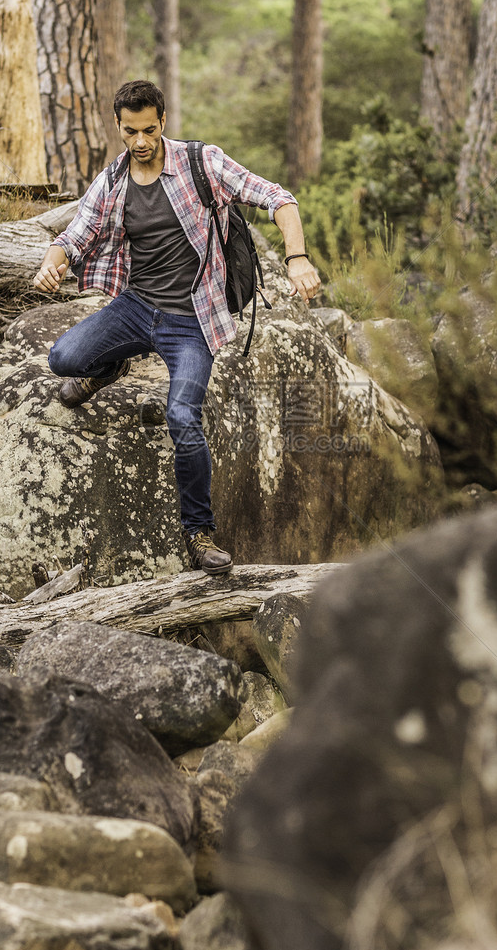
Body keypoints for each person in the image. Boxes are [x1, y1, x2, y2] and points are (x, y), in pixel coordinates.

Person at [33, 78, 321, 576]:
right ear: (119, 128)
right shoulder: (114, 181)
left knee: (183, 418)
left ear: (162, 121)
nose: (140, 142)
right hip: (138, 306)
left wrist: (297, 259)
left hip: (192, 321)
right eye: (130, 132)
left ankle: (199, 532)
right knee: (64, 359)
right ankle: (108, 368)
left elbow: (279, 197)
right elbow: (76, 234)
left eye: (148, 130)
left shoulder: (200, 162)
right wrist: (52, 262)